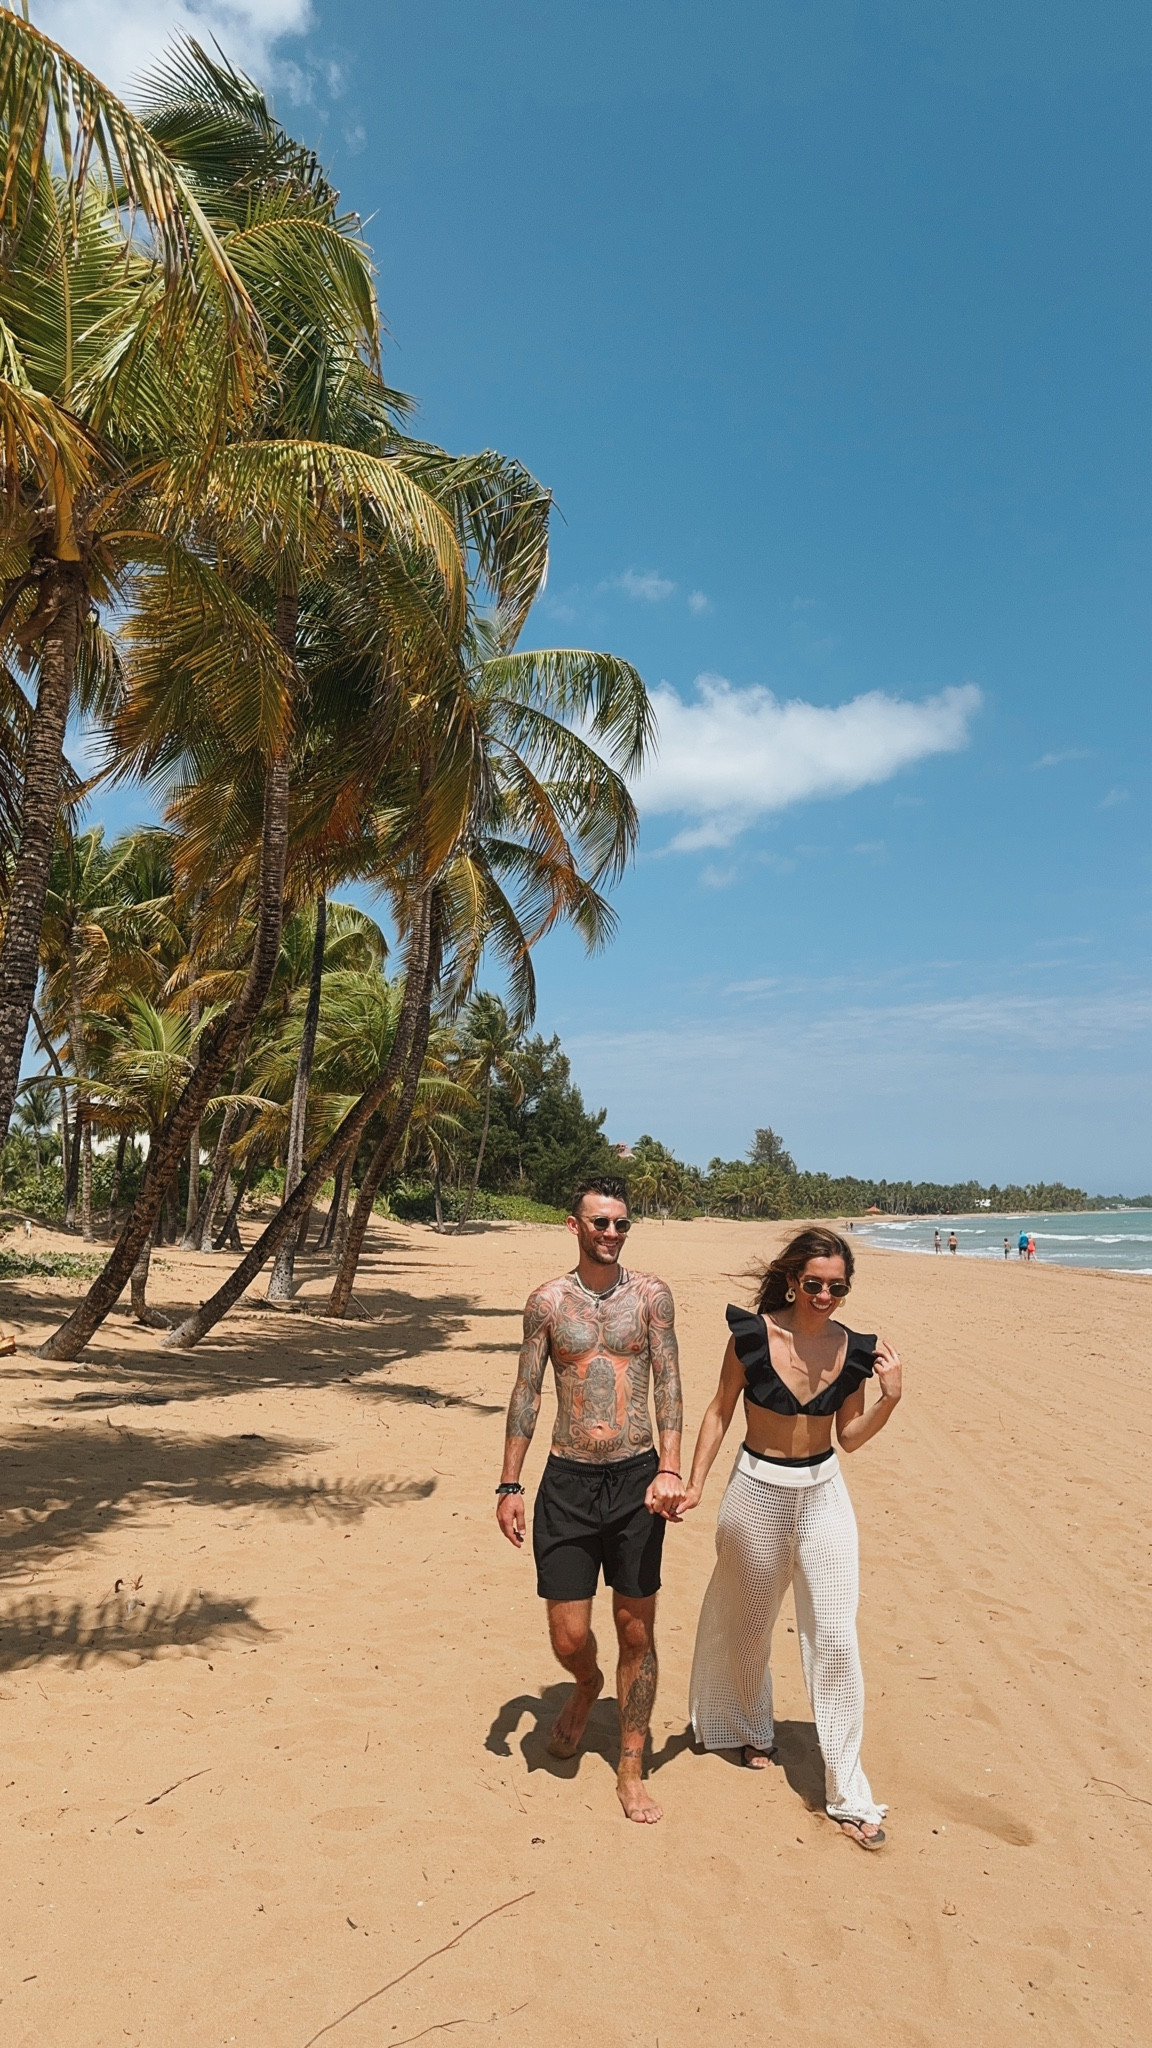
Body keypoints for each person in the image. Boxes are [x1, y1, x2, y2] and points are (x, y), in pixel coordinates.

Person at [676, 1227, 901, 1850]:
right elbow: (720, 1409)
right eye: (814, 1284)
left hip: (824, 1492)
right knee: (750, 1626)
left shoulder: (855, 1349)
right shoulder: (750, 1336)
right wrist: (694, 1484)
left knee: (834, 1633)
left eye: (837, 1286)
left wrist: (891, 1398)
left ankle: (849, 1790)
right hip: (755, 1489)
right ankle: (752, 1727)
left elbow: (849, 1436)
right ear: (792, 1279)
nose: (825, 1295)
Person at [495, 1175, 683, 1824]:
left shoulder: (651, 1297)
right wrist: (510, 1484)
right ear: (574, 1226)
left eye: (621, 1223)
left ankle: (630, 1765)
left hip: (636, 1481)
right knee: (569, 1634)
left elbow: (668, 1385)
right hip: (568, 1482)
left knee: (636, 1628)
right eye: (600, 1222)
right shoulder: (546, 1304)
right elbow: (526, 1393)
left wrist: (671, 1469)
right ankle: (585, 1683)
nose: (611, 1233)